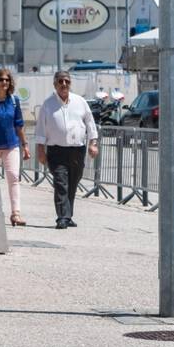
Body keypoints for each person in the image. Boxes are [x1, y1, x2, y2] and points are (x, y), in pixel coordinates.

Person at [34, 71, 99, 229]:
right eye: (60, 81)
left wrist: (93, 143)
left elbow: (90, 123)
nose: (64, 84)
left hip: (77, 150)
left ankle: (68, 215)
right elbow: (41, 130)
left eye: (67, 81)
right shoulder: (48, 104)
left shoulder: (80, 101)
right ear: (55, 84)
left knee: (72, 183)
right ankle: (62, 217)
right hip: (56, 151)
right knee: (60, 183)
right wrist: (40, 151)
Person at [0, 69, 29, 226]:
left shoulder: (14, 101)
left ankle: (16, 213)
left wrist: (25, 145)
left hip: (12, 145)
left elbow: (19, 125)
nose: (4, 82)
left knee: (13, 178)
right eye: (1, 79)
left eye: (7, 80)